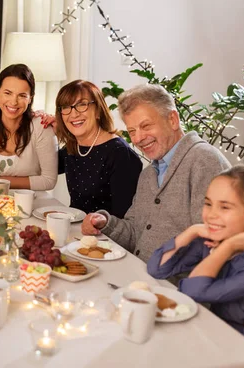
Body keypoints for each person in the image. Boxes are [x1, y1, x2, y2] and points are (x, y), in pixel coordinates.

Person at [147, 165, 244, 366]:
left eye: (225, 207)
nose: (211, 215)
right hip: (218, 330)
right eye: (208, 204)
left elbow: (192, 291)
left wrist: (227, 248)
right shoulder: (213, 237)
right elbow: (157, 268)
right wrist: (192, 231)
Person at [81, 84, 230, 262]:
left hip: (175, 286)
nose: (138, 139)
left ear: (173, 119)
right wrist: (105, 223)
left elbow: (215, 245)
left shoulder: (204, 161)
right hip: (141, 277)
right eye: (132, 131)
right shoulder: (149, 175)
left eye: (146, 126)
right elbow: (135, 234)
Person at [0, 64, 58, 191]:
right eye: (8, 93)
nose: (14, 102)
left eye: (22, 95)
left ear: (30, 98)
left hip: (33, 204)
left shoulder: (41, 128)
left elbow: (48, 181)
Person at [55, 80, 142, 217]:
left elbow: (125, 219)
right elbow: (40, 167)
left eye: (82, 104)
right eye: (66, 107)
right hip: (76, 229)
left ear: (98, 111)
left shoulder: (120, 153)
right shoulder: (73, 147)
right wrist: (42, 129)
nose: (74, 114)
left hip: (105, 237)